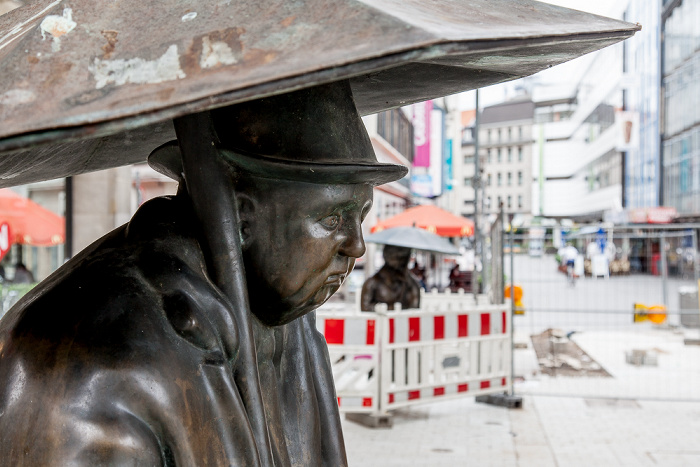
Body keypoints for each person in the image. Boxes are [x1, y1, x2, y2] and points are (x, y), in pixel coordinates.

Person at [0, 82, 407, 465]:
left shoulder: (287, 322)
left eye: (361, 217)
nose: (357, 246)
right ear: (242, 216)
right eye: (332, 218)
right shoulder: (98, 353)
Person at [361, 245, 421, 311]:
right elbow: (365, 309)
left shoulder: (411, 284)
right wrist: (388, 308)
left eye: (405, 257)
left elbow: (414, 312)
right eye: (399, 258)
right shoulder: (372, 283)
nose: (403, 262)